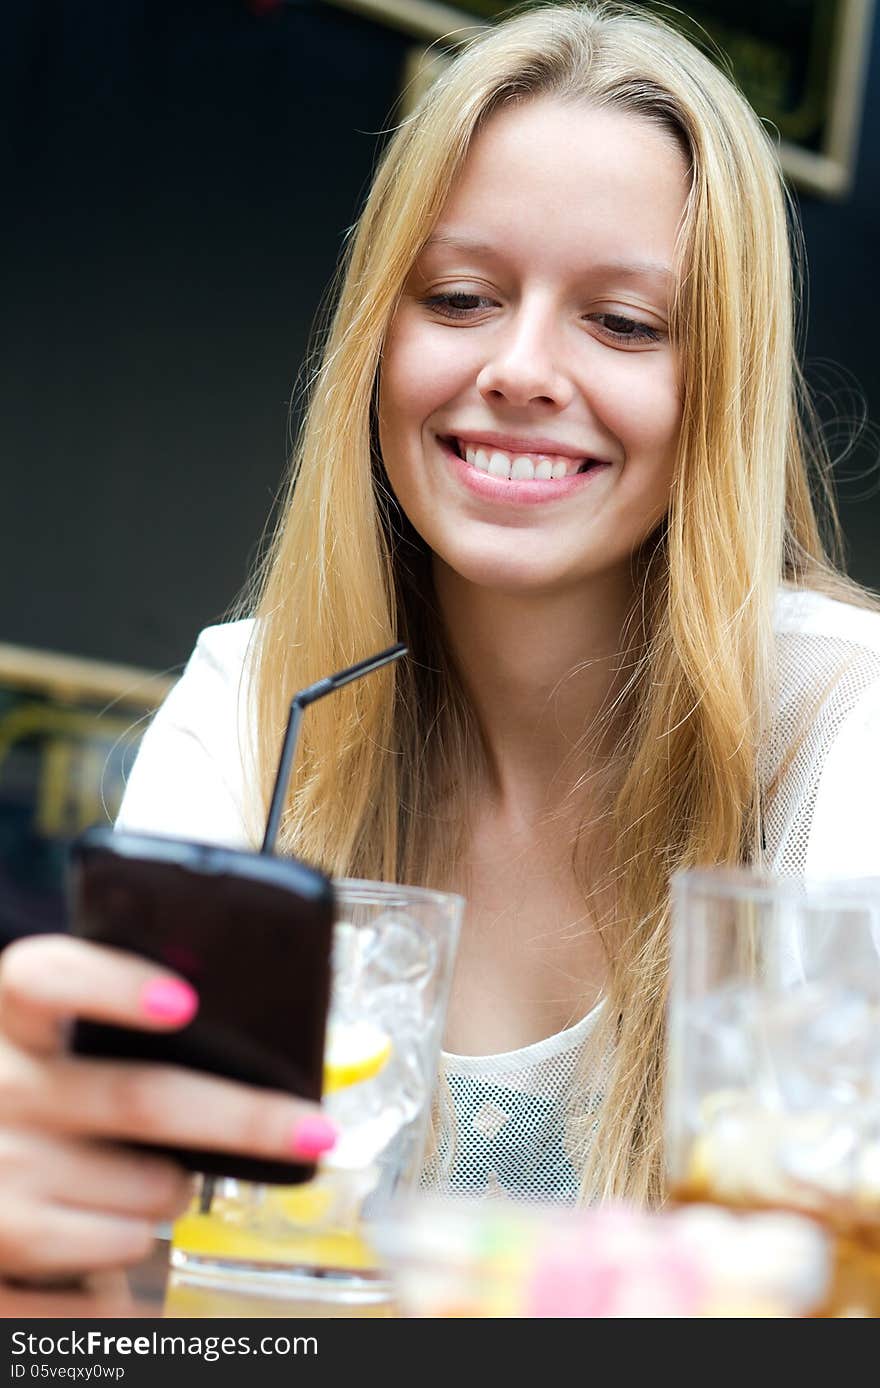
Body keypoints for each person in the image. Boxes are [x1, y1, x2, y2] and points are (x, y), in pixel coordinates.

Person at [1, 0, 879, 1292]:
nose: (522, 368)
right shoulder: (250, 703)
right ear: (378, 339)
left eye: (624, 322)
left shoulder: (847, 728)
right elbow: (126, 1317)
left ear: (723, 384)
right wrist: (44, 1253)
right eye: (461, 297)